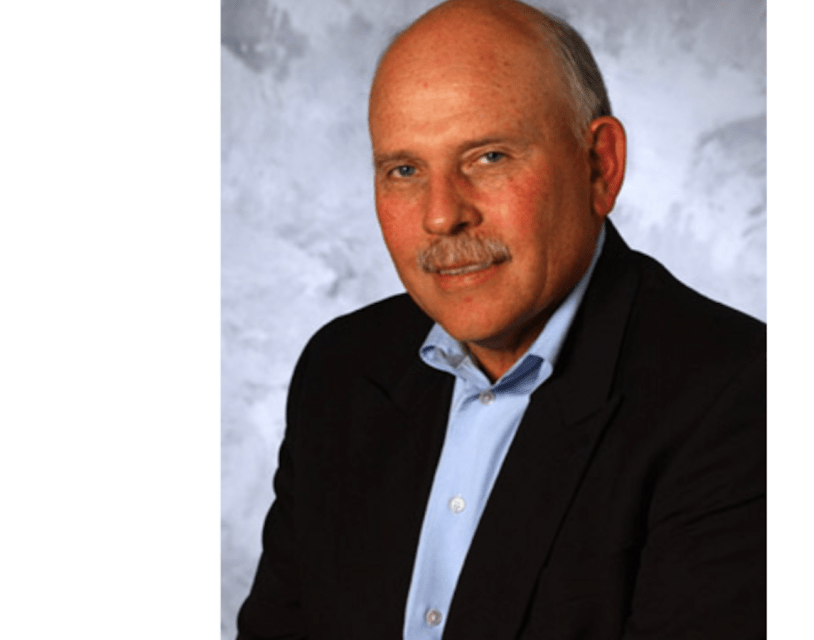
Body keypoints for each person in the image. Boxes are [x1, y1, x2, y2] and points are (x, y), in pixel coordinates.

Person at [237, 0, 765, 638]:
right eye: (404, 170)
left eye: (488, 157)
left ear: (599, 166)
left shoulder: (742, 396)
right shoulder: (341, 369)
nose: (441, 215)